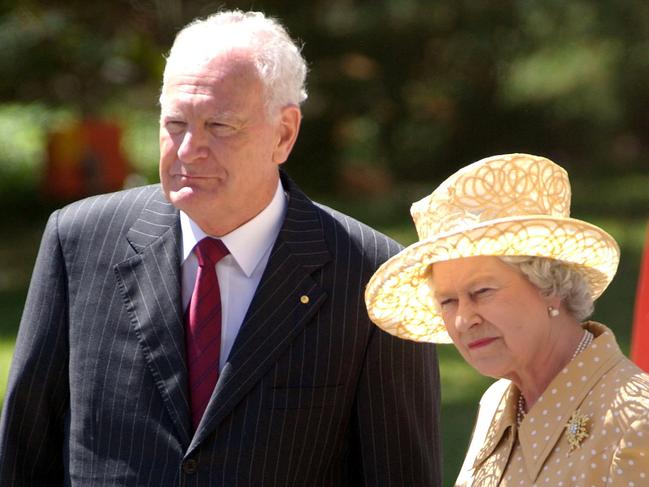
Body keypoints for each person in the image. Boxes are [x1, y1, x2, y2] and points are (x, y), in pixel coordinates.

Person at [0, 10, 442, 486]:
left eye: (218, 125)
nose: (189, 149)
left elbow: (401, 473)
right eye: (175, 123)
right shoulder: (79, 240)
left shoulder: (372, 274)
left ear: (285, 133)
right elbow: (24, 454)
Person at [365, 153, 649, 486]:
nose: (463, 320)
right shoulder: (498, 401)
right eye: (448, 301)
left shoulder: (636, 425)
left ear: (550, 284)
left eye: (482, 291)